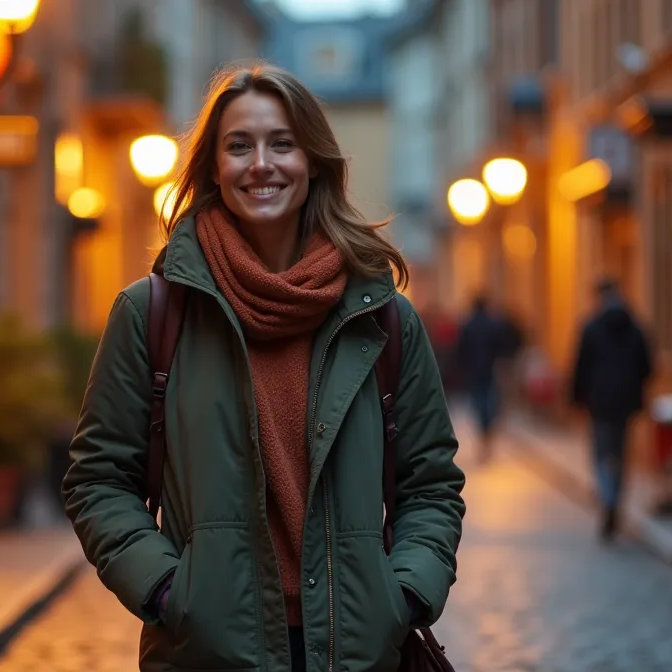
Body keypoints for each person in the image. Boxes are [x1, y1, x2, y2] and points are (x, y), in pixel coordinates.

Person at [62, 62, 466, 672]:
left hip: (356, 651)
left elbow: (430, 484)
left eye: (282, 143)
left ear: (314, 163)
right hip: (209, 652)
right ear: (213, 168)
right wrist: (169, 591)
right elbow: (98, 479)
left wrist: (404, 595)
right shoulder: (153, 313)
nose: (261, 164)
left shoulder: (382, 318)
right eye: (238, 146)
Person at [570, 279, 653, 542]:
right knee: (620, 453)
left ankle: (607, 497)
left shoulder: (591, 327)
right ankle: (615, 499)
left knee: (601, 451)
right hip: (626, 401)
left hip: (599, 400)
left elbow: (580, 365)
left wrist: (575, 397)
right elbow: (648, 367)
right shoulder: (637, 327)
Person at [454, 296, 508, 460]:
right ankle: (487, 435)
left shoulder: (468, 325)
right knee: (489, 404)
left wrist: (462, 368)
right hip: (489, 370)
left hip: (473, 371)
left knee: (478, 404)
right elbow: (501, 347)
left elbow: (461, 349)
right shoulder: (492, 325)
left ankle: (482, 434)